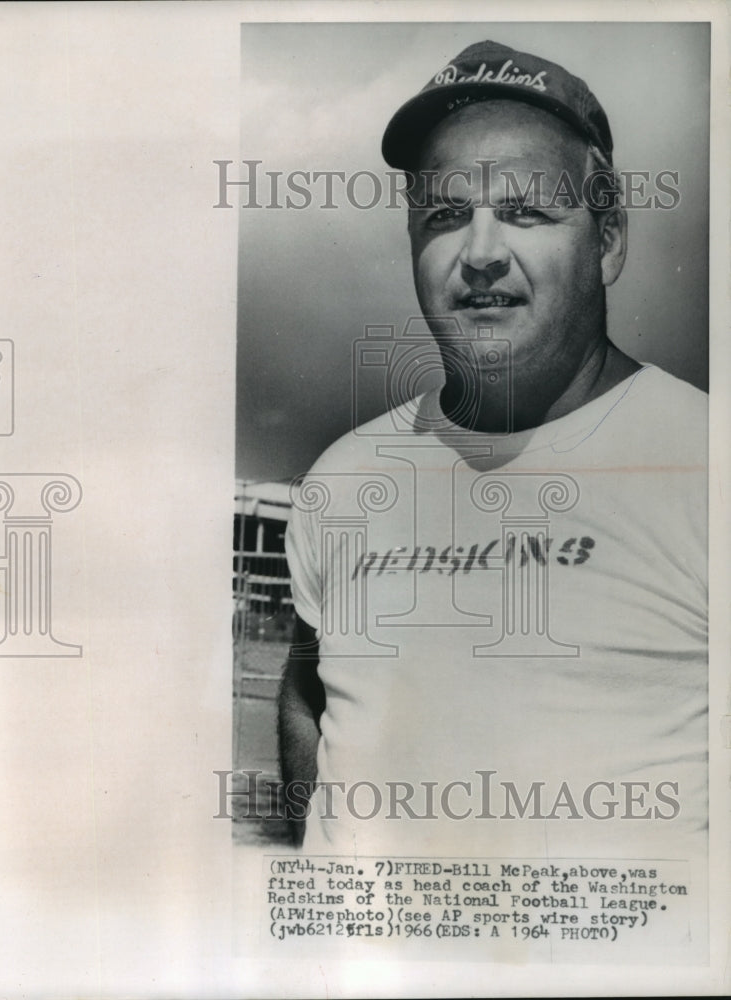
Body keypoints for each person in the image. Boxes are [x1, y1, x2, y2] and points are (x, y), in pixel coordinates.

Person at [278, 41, 707, 859]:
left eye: (525, 212)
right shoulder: (342, 479)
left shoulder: (702, 463)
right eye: (444, 216)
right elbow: (307, 694)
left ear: (608, 238)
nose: (479, 254)